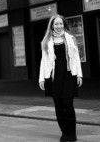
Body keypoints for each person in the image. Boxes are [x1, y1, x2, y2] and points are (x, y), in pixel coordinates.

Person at [39, 14, 83, 142]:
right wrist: (41, 78)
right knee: (58, 106)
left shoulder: (70, 38)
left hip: (69, 75)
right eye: (56, 24)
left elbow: (76, 58)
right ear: (52, 25)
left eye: (61, 23)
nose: (59, 26)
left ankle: (72, 132)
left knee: (68, 104)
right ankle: (64, 132)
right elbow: (44, 61)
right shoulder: (46, 41)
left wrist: (79, 75)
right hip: (54, 78)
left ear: (64, 24)